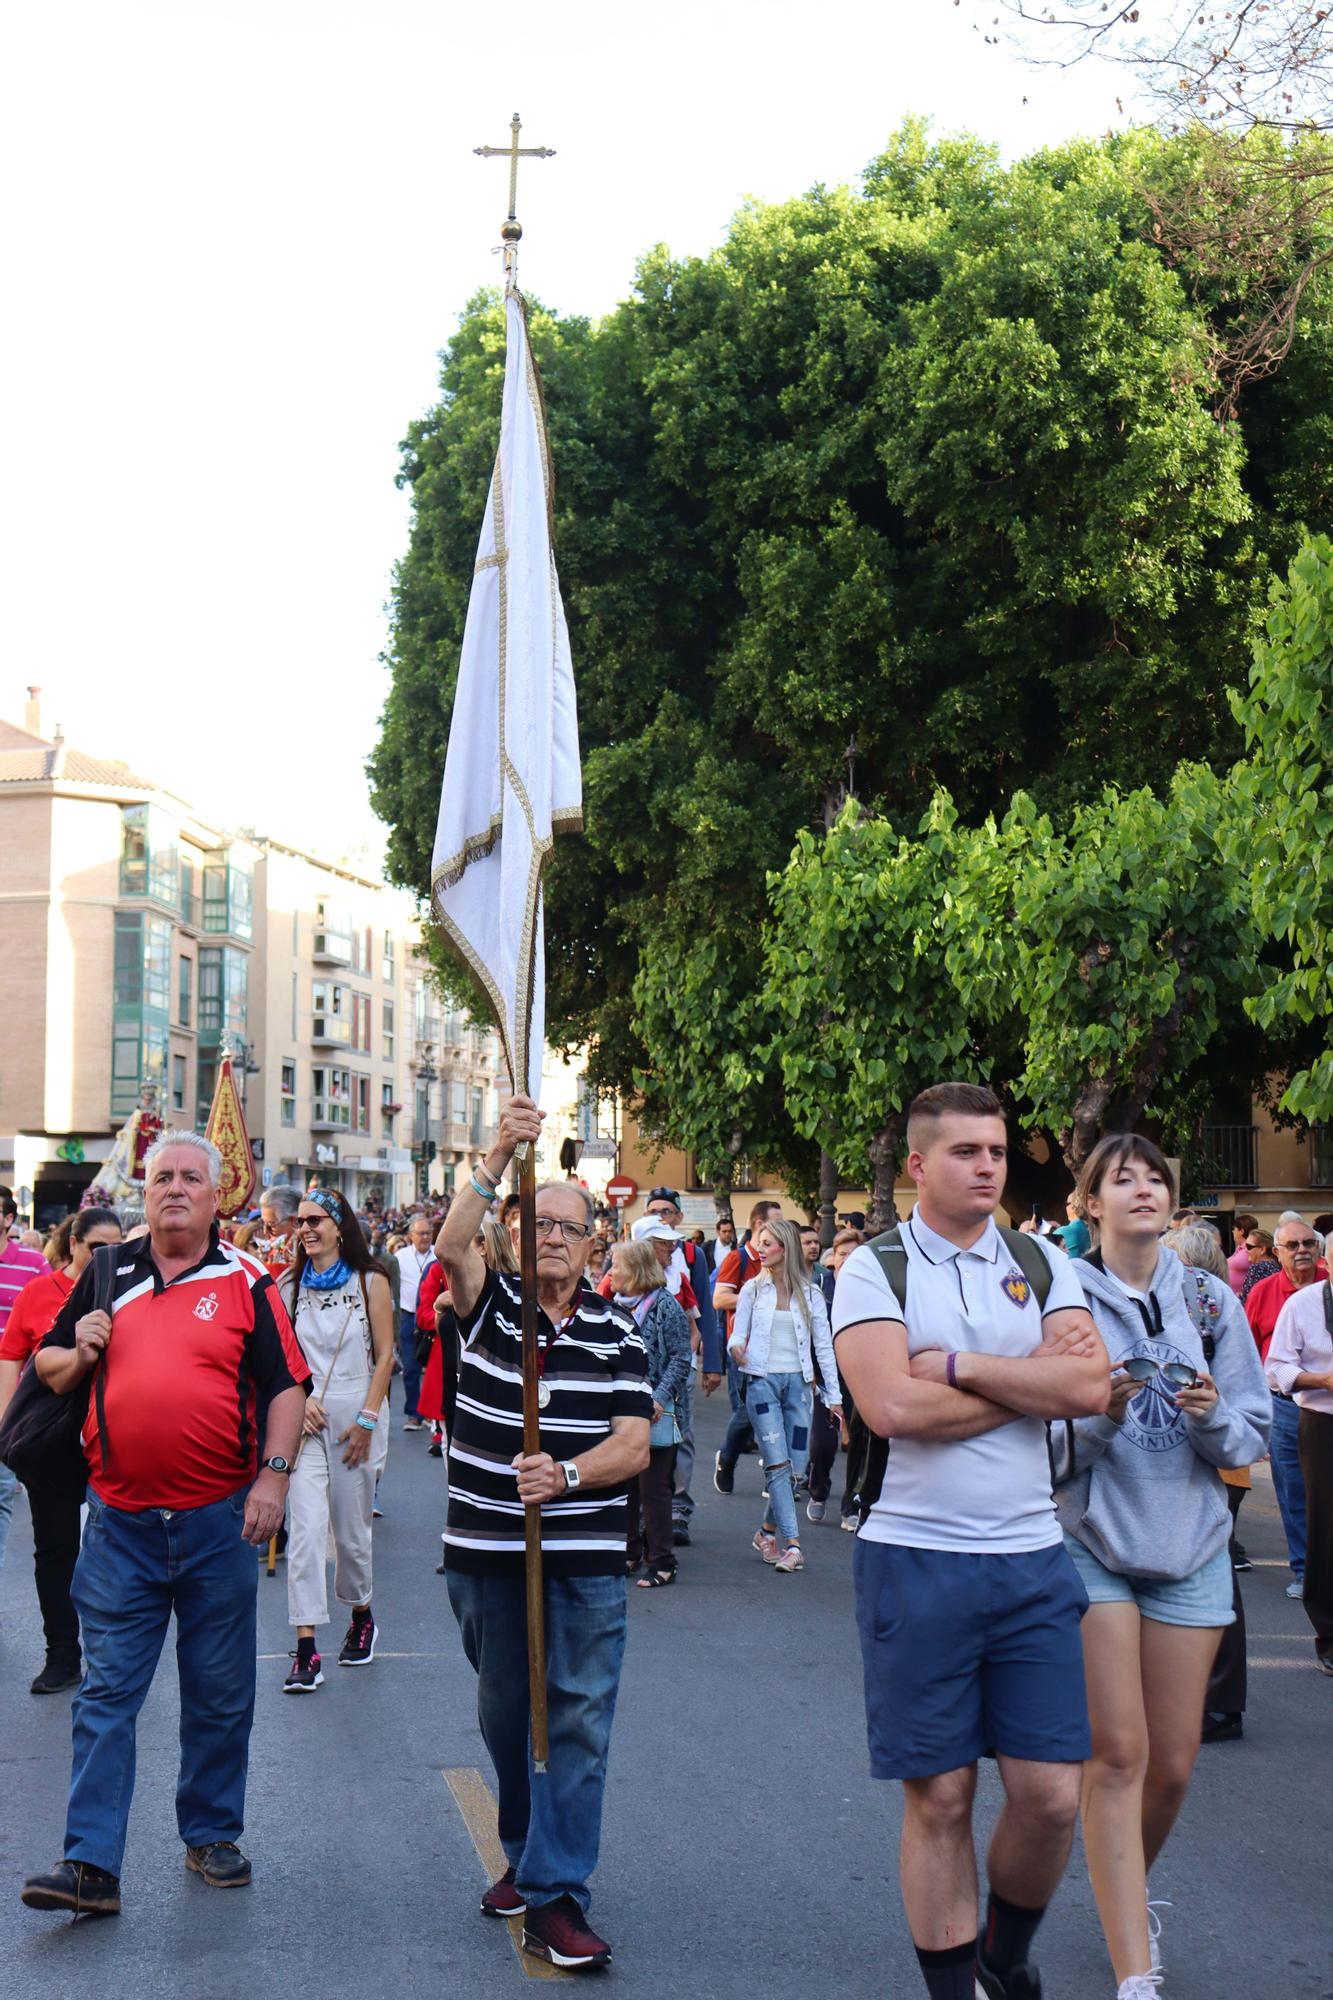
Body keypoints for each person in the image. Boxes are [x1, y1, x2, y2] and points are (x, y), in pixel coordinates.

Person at [832, 1082, 1109, 2000]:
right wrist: (1030, 1378)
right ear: (918, 1165)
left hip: (1031, 1558)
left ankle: (1002, 1953)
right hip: (916, 1559)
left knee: (1050, 1798)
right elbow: (889, 1407)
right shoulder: (875, 1268)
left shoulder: (1037, 1259)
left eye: (994, 1151)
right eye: (965, 1152)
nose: (987, 1166)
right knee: (942, 1799)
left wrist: (956, 1364)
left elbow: (1087, 1390)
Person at [20, 1132, 310, 1917]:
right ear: (143, 1194)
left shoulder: (247, 1280)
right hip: (118, 1525)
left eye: (190, 1178)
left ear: (217, 1198)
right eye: (160, 1179)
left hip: (219, 1521)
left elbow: (286, 1389)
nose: (173, 1189)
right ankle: (89, 1865)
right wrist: (77, 1351)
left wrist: (274, 1480)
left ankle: (211, 1834)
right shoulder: (106, 1273)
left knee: (218, 1695)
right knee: (107, 1693)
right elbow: (42, 1368)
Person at [434, 1095, 651, 1971]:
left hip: (585, 1561)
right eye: (538, 1221)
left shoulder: (617, 1333)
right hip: (486, 1554)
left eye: (570, 1226)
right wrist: (497, 1155)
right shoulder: (488, 1302)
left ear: (596, 1241)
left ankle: (559, 1893)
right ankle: (523, 1852)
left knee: (577, 1722)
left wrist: (565, 1476)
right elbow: (452, 1243)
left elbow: (633, 1445)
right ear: (515, 1230)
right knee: (507, 1716)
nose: (553, 1237)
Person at [1054, 1140, 1269, 1997]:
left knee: (1172, 1766)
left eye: (1155, 1179)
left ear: (1173, 1204)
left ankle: (1120, 1887)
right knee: (1117, 1753)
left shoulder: (1211, 1304)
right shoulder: (1063, 1302)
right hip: (1093, 1539)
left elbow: (1249, 1434)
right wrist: (1102, 1409)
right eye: (1121, 1178)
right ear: (1090, 1202)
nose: (1141, 1189)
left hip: (1189, 1543)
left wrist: (1212, 1415)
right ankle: (1131, 1970)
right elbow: (1046, 1449)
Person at [0, 1207, 123, 1694]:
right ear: (73, 1244)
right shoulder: (38, 1293)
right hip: (51, 1441)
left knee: (114, 1549)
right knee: (55, 1551)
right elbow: (13, 1357)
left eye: (115, 1247)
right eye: (97, 1248)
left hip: (111, 1440)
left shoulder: (126, 1287)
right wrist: (9, 1427)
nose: (106, 1257)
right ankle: (62, 1655)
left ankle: (115, 1653)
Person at [279, 1190, 394, 1692]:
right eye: (300, 1221)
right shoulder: (287, 1288)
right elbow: (280, 1359)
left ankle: (361, 1613)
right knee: (304, 1535)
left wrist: (368, 1419)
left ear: (339, 1226)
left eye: (315, 1220)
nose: (305, 1228)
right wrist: (299, 1401)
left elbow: (387, 1356)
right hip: (306, 1418)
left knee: (350, 1536)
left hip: (356, 1410)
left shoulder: (371, 1281)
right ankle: (306, 1646)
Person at [728, 1217, 840, 1574]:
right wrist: (736, 1348)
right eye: (760, 1243)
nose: (760, 1250)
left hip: (800, 1387)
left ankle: (765, 1531)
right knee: (777, 1463)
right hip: (761, 1384)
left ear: (785, 1248)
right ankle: (792, 1545)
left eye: (768, 1244)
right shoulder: (751, 1290)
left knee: (793, 1466)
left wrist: (833, 1396)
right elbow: (736, 1335)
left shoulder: (811, 1294)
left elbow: (824, 1346)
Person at [638, 1186, 723, 1549]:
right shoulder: (626, 1262)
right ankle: (643, 1511)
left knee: (680, 1433)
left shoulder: (690, 1257)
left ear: (678, 1217)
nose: (661, 1216)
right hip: (638, 1370)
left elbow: (704, 1310)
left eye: (667, 1211)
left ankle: (678, 1509)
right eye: (654, 1211)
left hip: (680, 1363)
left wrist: (709, 1363)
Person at [1246, 1218, 1323, 1597]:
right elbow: (1247, 1353)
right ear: (1277, 1253)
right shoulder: (1262, 1291)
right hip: (1284, 1405)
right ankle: (1304, 1571)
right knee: (1294, 1491)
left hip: (1323, 1409)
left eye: (1308, 1242)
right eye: (1291, 1245)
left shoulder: (1327, 1285)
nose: (1301, 1250)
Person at [610, 1238, 691, 1587]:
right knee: (624, 1483)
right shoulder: (612, 1306)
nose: (611, 1272)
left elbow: (680, 1358)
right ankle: (630, 1551)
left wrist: (656, 1399)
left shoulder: (664, 1306)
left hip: (659, 1411)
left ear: (636, 1270)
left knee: (654, 1487)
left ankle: (663, 1561)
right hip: (621, 1410)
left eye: (617, 1266)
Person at [1265, 1266, 1333, 1675]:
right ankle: (1329, 1635)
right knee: (1325, 1529)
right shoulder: (1302, 1304)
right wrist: (1322, 1379)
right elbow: (1277, 1369)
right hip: (1324, 1424)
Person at [711, 1198, 783, 1493]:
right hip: (744, 1349)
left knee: (775, 1410)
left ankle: (775, 1474)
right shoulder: (737, 1258)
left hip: (777, 1346)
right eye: (777, 1221)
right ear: (759, 1224)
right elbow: (720, 1299)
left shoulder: (779, 1258)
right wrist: (757, 1297)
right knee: (749, 1412)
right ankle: (726, 1460)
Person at [0, 1192, 48, 1579]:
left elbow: (50, 1323)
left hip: (9, 1394)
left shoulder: (33, 1265)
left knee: (0, 1495)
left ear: (9, 1219)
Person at [806, 1226, 863, 1530]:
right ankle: (818, 1489)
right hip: (825, 1378)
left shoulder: (870, 1290)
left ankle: (850, 1504)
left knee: (858, 1444)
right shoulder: (820, 1288)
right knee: (822, 1445)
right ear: (834, 1258)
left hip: (861, 1377)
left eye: (854, 1255)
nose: (847, 1260)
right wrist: (811, 1371)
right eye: (842, 1254)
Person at [257, 1185, 301, 1278]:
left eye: (272, 1225)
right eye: (263, 1223)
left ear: (295, 1221)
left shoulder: (306, 1251)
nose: (265, 1232)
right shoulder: (274, 1249)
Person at [1238, 1229, 1279, 1304]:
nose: (1246, 1250)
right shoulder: (1275, 1265)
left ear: (1262, 1249)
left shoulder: (1257, 1268)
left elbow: (1247, 1300)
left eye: (1249, 1246)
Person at [1226, 1213, 1260, 1295]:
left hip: (1243, 1298)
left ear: (1241, 1231)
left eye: (1234, 1229)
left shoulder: (1251, 1249)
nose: (1233, 1231)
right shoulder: (1239, 1249)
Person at [1055, 1193, 1091, 1259]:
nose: (1065, 1208)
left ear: (1073, 1207)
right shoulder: (1096, 1228)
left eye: (1067, 1204)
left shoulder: (1061, 1232)